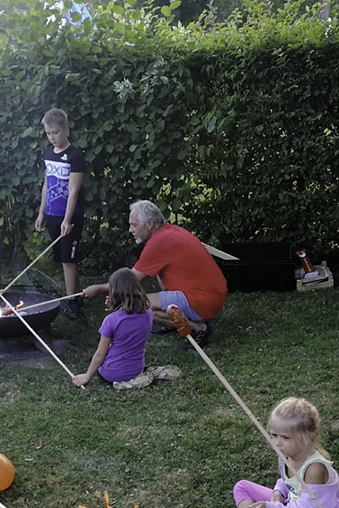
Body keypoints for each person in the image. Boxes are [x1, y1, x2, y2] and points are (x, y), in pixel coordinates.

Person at [82, 200, 226, 347]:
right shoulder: (170, 231)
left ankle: (199, 328)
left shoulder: (159, 243)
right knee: (156, 277)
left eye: (134, 225)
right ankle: (174, 321)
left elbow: (130, 281)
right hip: (213, 294)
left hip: (203, 301)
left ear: (149, 224)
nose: (130, 230)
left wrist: (98, 288)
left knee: (137, 304)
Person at [227, 397, 339, 508]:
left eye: (285, 437)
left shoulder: (314, 469)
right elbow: (287, 481)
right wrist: (278, 491)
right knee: (242, 486)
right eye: (274, 435)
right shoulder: (287, 454)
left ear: (309, 436)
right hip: (293, 504)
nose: (276, 443)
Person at [72, 268, 181, 390]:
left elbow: (99, 355)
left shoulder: (111, 320)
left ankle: (124, 384)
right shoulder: (148, 314)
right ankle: (146, 373)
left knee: (108, 348)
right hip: (136, 369)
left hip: (111, 373)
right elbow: (128, 323)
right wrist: (115, 310)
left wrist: (87, 375)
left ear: (114, 293)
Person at [34, 108, 86, 315]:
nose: (52, 137)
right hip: (52, 214)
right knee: (61, 258)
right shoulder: (47, 153)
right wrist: (41, 213)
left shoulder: (75, 155)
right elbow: (46, 184)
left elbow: (74, 190)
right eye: (48, 133)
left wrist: (67, 219)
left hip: (70, 216)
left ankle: (74, 302)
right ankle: (73, 296)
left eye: (55, 132)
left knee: (68, 259)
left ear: (66, 129)